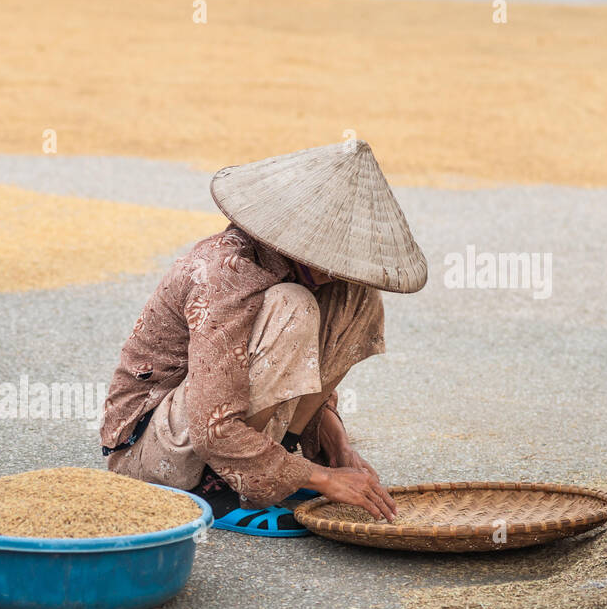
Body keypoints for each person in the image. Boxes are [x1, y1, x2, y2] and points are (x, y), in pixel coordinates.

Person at [99, 139, 427, 536]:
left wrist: (337, 450)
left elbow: (303, 372)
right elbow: (211, 423)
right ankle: (218, 486)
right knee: (293, 305)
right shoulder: (226, 272)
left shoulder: (321, 279)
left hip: (217, 425)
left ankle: (278, 459)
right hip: (154, 444)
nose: (333, 268)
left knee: (358, 297)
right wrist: (322, 480)